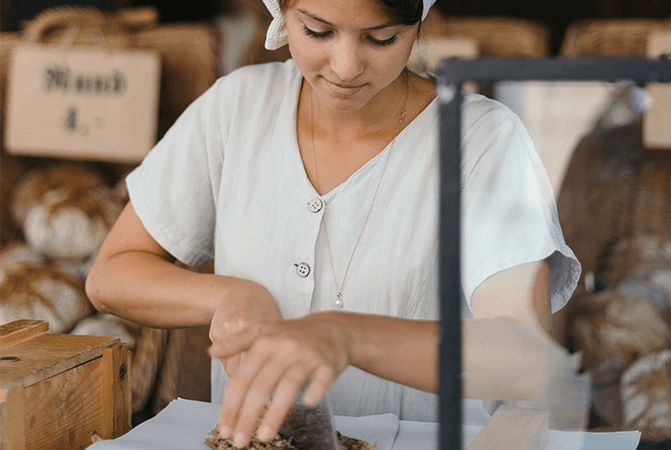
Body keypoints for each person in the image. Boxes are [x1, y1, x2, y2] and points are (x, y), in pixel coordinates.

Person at [85, 0, 580, 447]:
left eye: (380, 38)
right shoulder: (236, 108)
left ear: (418, 23)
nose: (345, 67)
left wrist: (345, 336)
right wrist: (229, 295)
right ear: (281, 13)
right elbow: (112, 274)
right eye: (318, 32)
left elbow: (523, 358)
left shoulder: (482, 141)